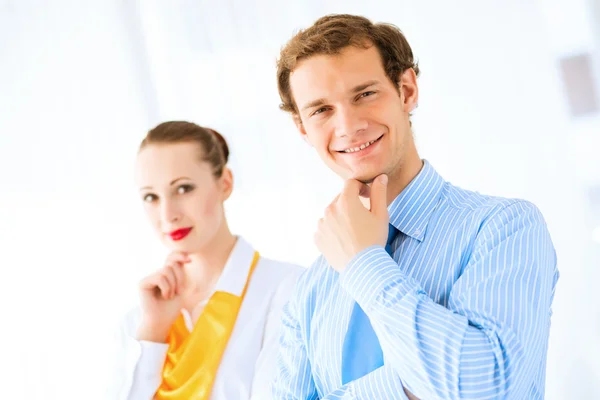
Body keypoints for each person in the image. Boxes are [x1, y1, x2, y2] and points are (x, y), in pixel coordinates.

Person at [271, 14, 559, 399]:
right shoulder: (309, 291)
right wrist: (408, 388)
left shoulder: (503, 228)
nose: (348, 126)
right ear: (303, 128)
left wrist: (364, 264)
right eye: (321, 110)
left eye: (365, 94)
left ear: (406, 90)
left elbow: (483, 388)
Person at [109, 121, 303, 400]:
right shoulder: (138, 321)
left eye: (184, 188)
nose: (168, 214)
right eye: (151, 196)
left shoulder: (287, 288)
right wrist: (152, 333)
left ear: (225, 183)